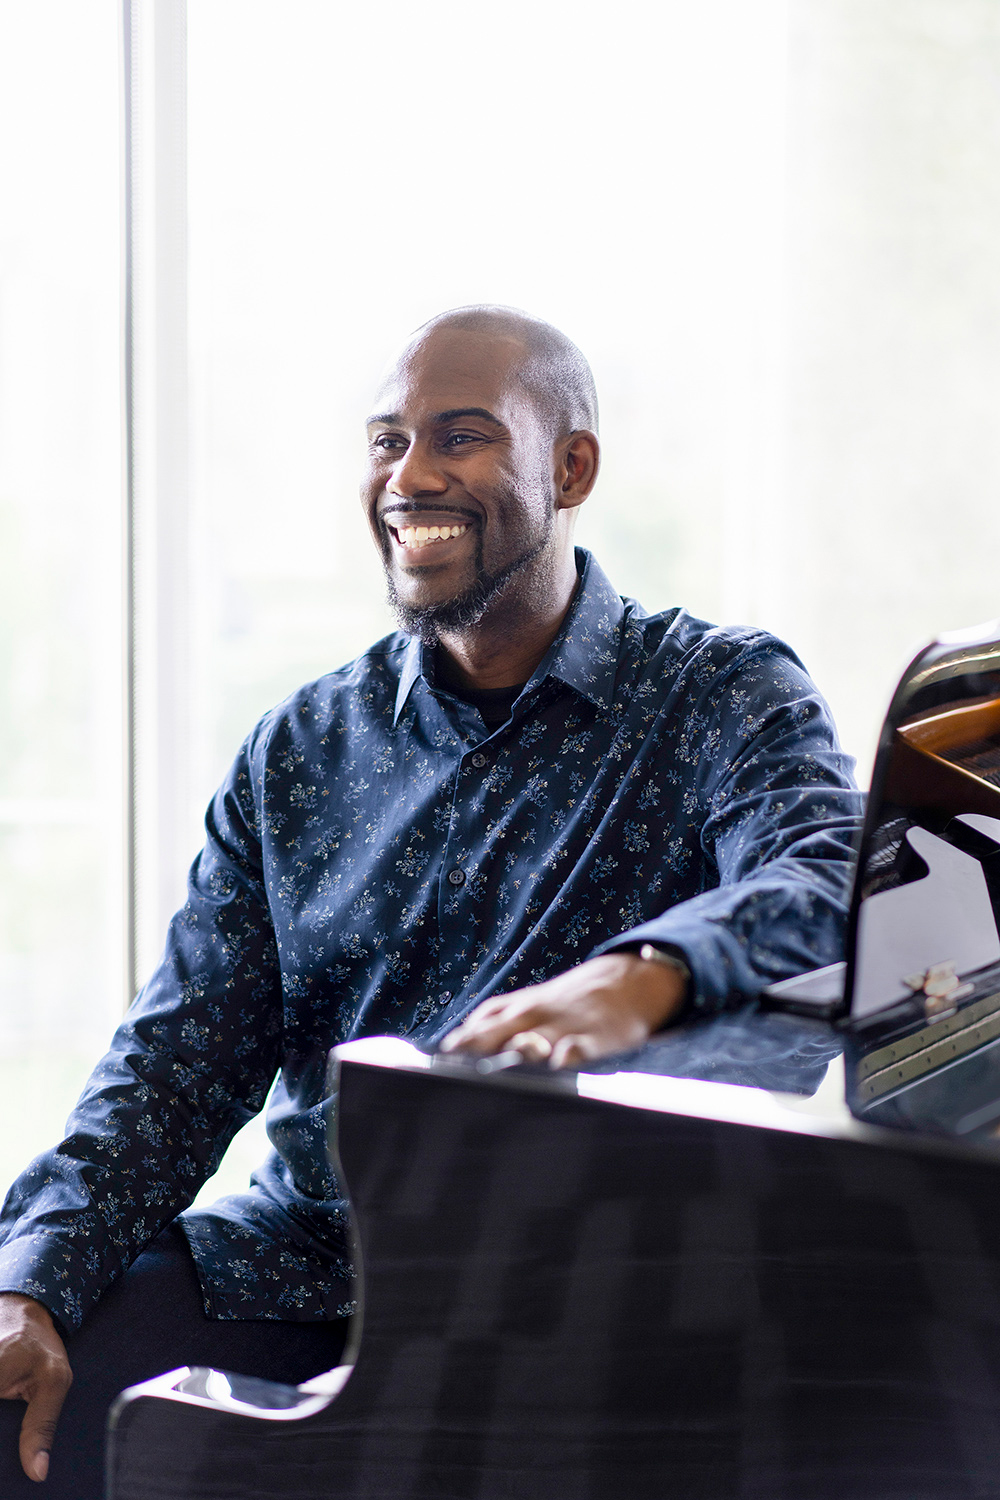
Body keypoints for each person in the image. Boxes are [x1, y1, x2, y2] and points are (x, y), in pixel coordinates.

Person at [0, 306, 864, 1493]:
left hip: (583, 1296)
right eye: (386, 443)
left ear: (571, 467)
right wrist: (30, 1280)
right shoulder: (294, 749)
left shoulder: (718, 689)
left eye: (459, 437)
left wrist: (639, 976)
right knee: (16, 1397)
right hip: (302, 1271)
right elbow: (173, 1068)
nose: (410, 476)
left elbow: (826, 872)